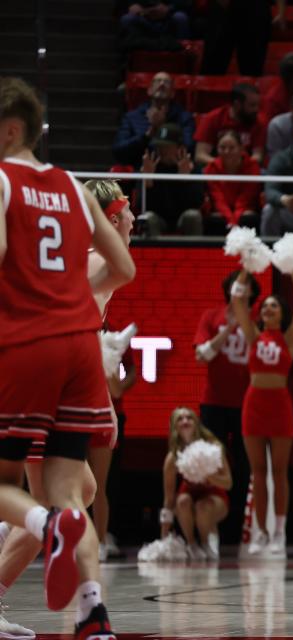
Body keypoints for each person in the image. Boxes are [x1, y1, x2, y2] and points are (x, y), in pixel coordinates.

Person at [0, 76, 135, 638]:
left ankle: (46, 527)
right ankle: (92, 614)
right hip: (80, 349)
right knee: (75, 491)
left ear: (9, 129)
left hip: (28, 343)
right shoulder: (74, 187)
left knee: (43, 496)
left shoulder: (2, 181)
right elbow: (123, 268)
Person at [231, 268, 293, 556]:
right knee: (258, 472)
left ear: (280, 313)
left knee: (278, 471)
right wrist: (247, 268)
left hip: (279, 405)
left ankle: (279, 533)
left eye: (273, 305)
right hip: (254, 405)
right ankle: (260, 533)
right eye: (264, 306)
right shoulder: (253, 335)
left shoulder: (288, 339)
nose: (267, 309)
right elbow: (238, 302)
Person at [82, 180, 139, 562]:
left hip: (65, 375)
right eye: (129, 211)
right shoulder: (101, 261)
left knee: (81, 490)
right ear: (114, 217)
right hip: (53, 378)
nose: (135, 219)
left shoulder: (87, 257)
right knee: (63, 494)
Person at [193, 270, 261, 544]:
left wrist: (242, 321)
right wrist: (229, 328)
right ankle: (210, 524)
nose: (241, 291)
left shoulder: (257, 318)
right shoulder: (212, 316)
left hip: (247, 401)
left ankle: (240, 527)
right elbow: (201, 355)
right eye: (237, 286)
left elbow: (262, 348)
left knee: (246, 465)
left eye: (246, 287)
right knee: (212, 463)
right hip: (215, 401)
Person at [160, 407, 232, 560]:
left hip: (215, 495)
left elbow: (228, 483)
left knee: (202, 507)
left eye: (189, 417)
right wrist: (164, 535)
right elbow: (169, 498)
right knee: (182, 501)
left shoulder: (213, 446)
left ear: (196, 422)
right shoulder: (172, 458)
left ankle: (206, 543)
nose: (185, 421)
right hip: (188, 495)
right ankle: (191, 544)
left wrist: (209, 476)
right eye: (180, 419)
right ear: (174, 426)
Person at [113, 71, 195, 166]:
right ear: (149, 90)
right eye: (157, 81)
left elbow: (189, 148)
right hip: (140, 169)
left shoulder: (185, 117)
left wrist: (163, 128)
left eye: (166, 82)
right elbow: (118, 150)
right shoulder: (132, 117)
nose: (161, 84)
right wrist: (147, 135)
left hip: (173, 169)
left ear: (173, 93)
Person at [137, 123, 205, 236]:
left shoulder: (193, 168)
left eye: (167, 147)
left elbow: (197, 203)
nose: (161, 150)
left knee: (193, 215)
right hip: (159, 219)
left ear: (180, 148)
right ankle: (153, 254)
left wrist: (185, 180)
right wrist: (148, 181)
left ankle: (193, 253)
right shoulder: (148, 167)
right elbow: (141, 206)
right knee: (148, 218)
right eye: (159, 146)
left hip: (182, 219)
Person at [203, 129, 262, 232]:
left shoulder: (252, 167)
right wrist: (231, 220)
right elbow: (218, 199)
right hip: (221, 210)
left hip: (245, 209)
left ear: (241, 148)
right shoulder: (211, 168)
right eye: (222, 148)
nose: (226, 152)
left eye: (231, 148)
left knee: (248, 218)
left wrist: (234, 221)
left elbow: (245, 198)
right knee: (215, 219)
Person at [200, 0, 279, 76]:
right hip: (223, 10)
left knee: (252, 69)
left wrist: (281, 11)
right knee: (212, 67)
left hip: (254, 10)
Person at [194, 83, 266, 167]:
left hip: (246, 169)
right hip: (217, 169)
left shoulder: (259, 121)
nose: (256, 109)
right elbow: (200, 155)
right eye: (252, 105)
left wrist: (238, 167)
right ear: (237, 105)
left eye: (257, 105)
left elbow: (258, 156)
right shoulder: (212, 119)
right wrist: (224, 166)